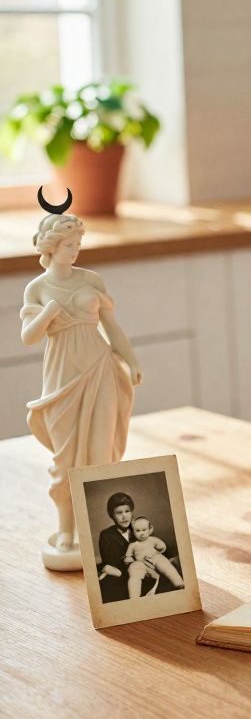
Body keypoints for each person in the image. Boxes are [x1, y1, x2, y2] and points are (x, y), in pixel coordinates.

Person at [20, 190, 143, 553]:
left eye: (78, 243)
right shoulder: (38, 288)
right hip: (61, 377)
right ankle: (66, 531)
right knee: (65, 460)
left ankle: (99, 534)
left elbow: (112, 328)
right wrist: (48, 312)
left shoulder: (91, 280)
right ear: (52, 246)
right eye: (69, 244)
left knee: (99, 453)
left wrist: (131, 360)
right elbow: (28, 337)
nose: (75, 250)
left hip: (99, 367)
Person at [123, 516, 184, 598]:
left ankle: (178, 582)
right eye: (138, 531)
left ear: (149, 530)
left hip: (155, 558)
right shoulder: (133, 545)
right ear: (133, 532)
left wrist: (160, 548)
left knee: (165, 564)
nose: (142, 533)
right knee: (134, 571)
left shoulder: (152, 539)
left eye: (144, 530)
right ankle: (134, 596)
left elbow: (162, 546)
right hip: (142, 563)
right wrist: (129, 560)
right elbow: (128, 556)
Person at [96, 492, 136, 602]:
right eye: (119, 513)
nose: (124, 516)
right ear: (112, 515)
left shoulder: (138, 529)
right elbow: (109, 562)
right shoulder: (106, 535)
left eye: (127, 511)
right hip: (118, 576)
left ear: (132, 512)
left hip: (139, 573)